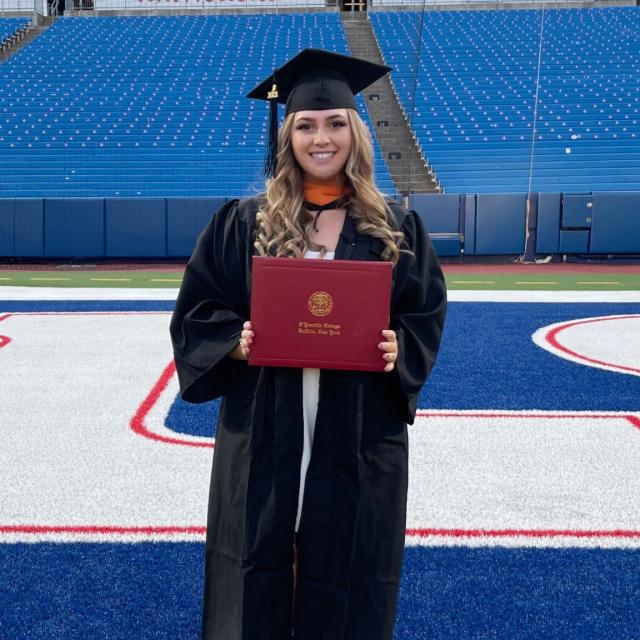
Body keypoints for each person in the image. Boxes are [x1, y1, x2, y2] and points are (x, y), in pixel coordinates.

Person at [170, 49, 447, 640]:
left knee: (350, 575)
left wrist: (400, 347)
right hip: (265, 427)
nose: (322, 138)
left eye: (336, 123)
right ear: (287, 135)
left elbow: (424, 313)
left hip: (356, 431)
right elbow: (197, 309)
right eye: (306, 125)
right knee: (251, 577)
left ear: (356, 131)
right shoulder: (243, 223)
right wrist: (234, 342)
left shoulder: (396, 230)